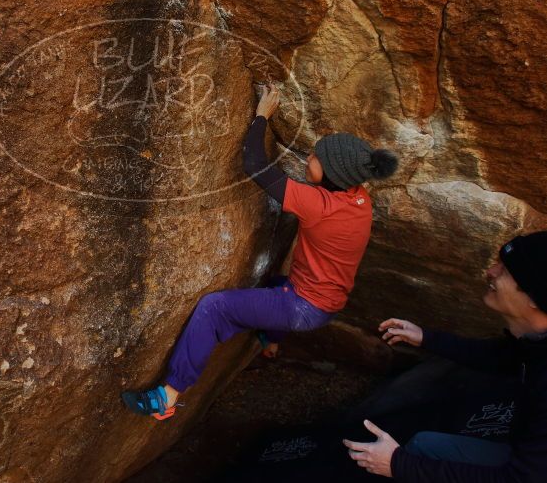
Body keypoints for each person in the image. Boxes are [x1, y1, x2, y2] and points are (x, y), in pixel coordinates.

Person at [121, 84, 399, 419]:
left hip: (302, 306)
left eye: (315, 158)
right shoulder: (359, 201)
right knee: (274, 283)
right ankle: (272, 341)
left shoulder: (318, 204)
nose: (308, 158)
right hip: (327, 303)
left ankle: (167, 397)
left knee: (215, 308)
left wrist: (261, 117)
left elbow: (254, 164)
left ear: (333, 174)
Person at [343, 231, 547, 482]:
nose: (491, 271)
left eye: (505, 270)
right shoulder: (537, 342)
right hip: (527, 459)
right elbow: (503, 356)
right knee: (424, 446)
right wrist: (426, 338)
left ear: (535, 299)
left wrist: (398, 465)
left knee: (417, 458)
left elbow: (521, 479)